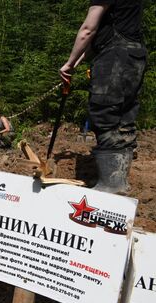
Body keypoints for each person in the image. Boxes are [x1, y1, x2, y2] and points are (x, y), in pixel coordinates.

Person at [59, 0, 147, 194]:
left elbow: (88, 29)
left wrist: (69, 63)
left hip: (115, 57)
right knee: (124, 118)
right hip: (135, 55)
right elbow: (99, 36)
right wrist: (76, 62)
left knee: (104, 114)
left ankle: (111, 185)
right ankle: (118, 182)